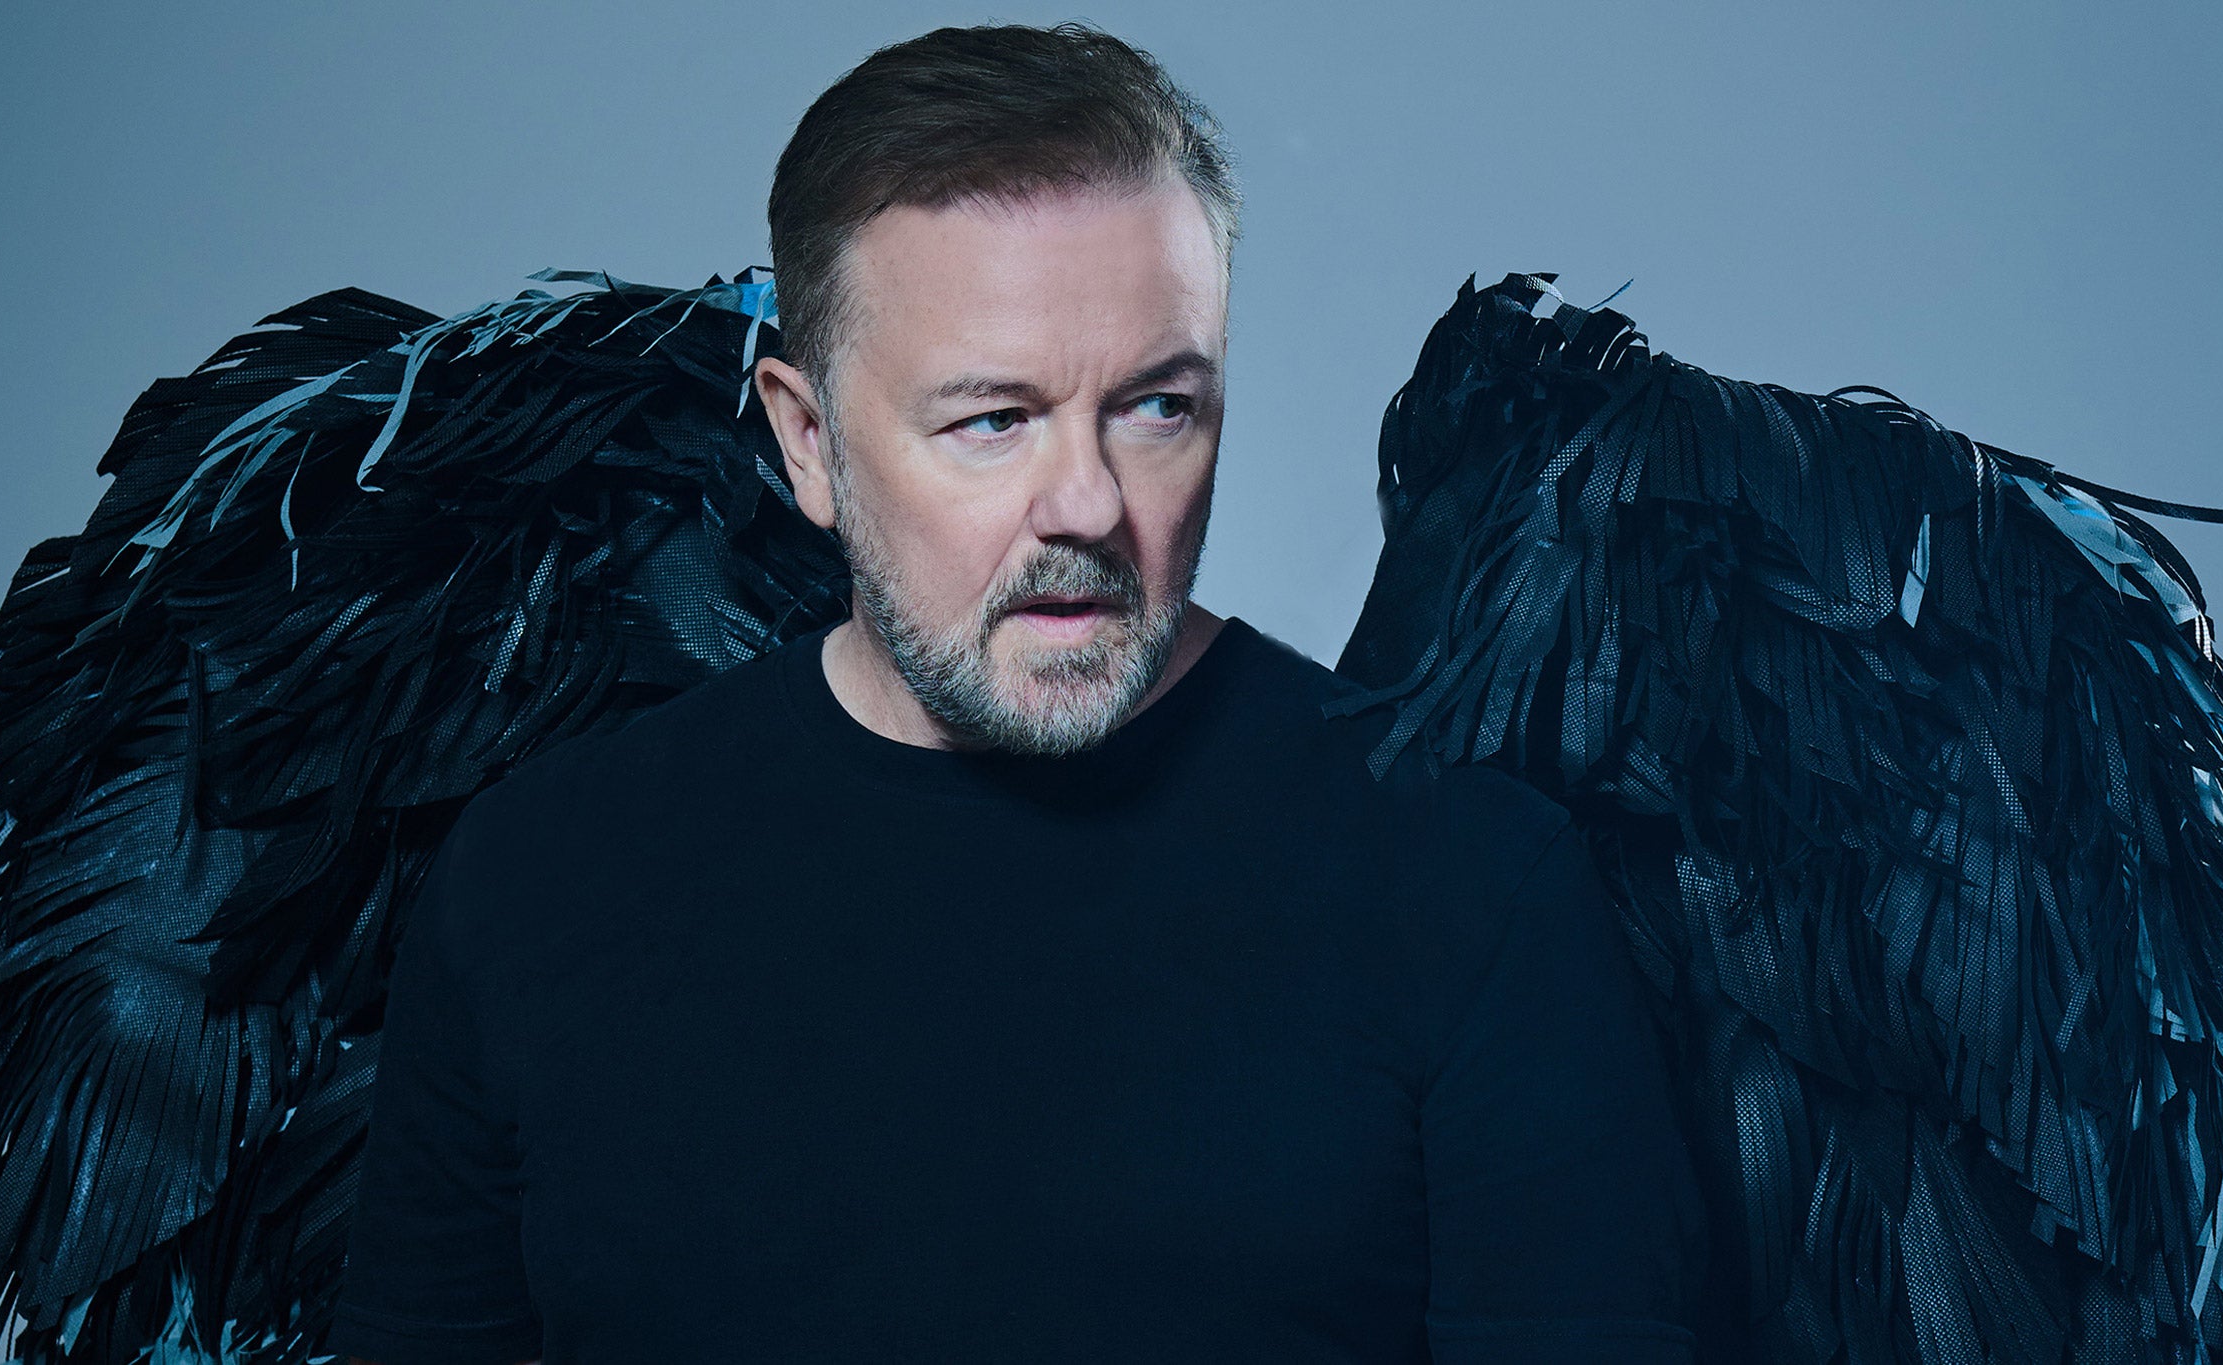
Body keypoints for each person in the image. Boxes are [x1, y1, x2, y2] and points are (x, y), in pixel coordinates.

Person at [323, 20, 1706, 1364]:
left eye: (1156, 407)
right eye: (994, 419)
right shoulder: (537, 878)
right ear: (807, 442)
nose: (1088, 505)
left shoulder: (1470, 884)